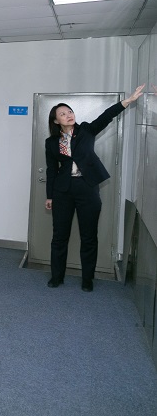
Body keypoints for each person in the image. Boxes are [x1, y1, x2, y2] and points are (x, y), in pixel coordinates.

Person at [45, 84, 145, 292]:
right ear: (56, 121)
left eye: (70, 111)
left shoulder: (86, 130)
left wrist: (128, 101)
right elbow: (51, 169)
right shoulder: (52, 142)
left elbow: (106, 116)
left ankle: (87, 279)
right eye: (63, 114)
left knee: (88, 236)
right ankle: (57, 276)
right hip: (63, 191)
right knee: (59, 236)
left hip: (87, 188)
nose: (68, 115)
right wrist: (49, 196)